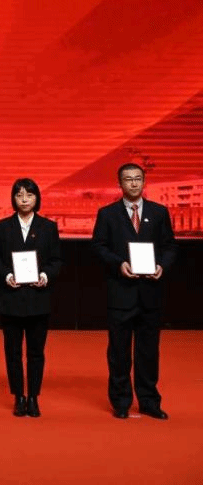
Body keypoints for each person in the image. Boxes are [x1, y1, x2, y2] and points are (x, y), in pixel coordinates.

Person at [91, 163, 177, 420]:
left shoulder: (159, 212)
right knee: (119, 351)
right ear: (120, 183)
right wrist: (119, 264)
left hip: (150, 292)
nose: (134, 183)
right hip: (121, 292)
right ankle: (121, 401)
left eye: (138, 178)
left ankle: (149, 401)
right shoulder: (107, 214)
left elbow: (170, 246)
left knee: (148, 351)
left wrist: (162, 266)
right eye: (128, 179)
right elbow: (98, 246)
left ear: (144, 181)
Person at [0, 178, 63, 418]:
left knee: (36, 352)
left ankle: (33, 397)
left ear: (37, 198)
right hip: (10, 297)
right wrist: (7, 275)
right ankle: (18, 396)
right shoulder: (2, 227)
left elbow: (56, 260)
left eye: (29, 195)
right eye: (19, 195)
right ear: (13, 199)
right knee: (13, 352)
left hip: (38, 298)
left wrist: (45, 275)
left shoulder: (48, 227)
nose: (24, 200)